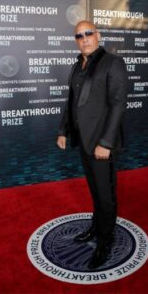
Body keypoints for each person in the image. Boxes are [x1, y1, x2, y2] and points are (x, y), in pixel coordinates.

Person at [57, 20, 128, 269]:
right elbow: (72, 102)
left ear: (98, 35)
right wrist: (64, 130)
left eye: (89, 33)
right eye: (79, 35)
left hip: (101, 145)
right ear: (76, 40)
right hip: (84, 142)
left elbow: (118, 104)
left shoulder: (112, 63)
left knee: (106, 195)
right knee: (95, 191)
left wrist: (106, 143)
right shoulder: (78, 65)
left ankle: (105, 242)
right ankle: (97, 227)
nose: (84, 38)